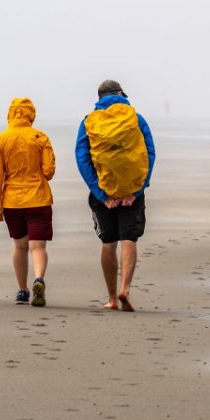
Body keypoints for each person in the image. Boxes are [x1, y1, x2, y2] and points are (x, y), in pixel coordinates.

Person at [75, 79, 156, 312]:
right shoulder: (136, 118)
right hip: (131, 192)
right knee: (129, 239)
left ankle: (112, 298)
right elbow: (149, 154)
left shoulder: (88, 122)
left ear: (99, 97)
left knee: (108, 242)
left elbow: (82, 158)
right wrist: (137, 190)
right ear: (120, 93)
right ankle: (125, 289)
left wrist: (101, 194)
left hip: (104, 193)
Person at [0, 97, 56, 307]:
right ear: (31, 114)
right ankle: (38, 278)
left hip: (12, 202)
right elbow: (49, 171)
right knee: (38, 246)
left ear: (10, 114)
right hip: (38, 198)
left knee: (20, 246)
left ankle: (22, 291)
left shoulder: (1, 139)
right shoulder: (40, 137)